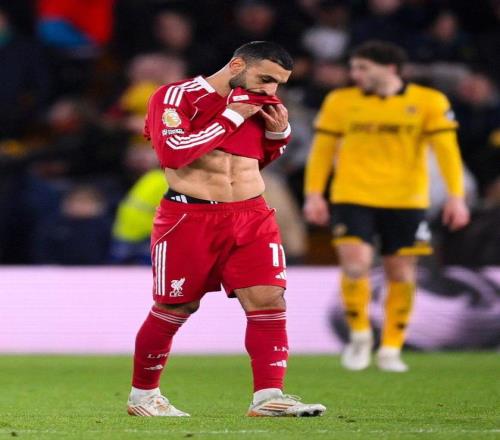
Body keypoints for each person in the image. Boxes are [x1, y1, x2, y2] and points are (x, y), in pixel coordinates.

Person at [127, 41, 326, 417]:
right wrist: (231, 116)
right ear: (237, 65)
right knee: (175, 306)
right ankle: (144, 396)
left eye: (279, 83)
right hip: (189, 218)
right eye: (265, 78)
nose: (271, 90)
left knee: (269, 300)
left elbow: (255, 160)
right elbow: (174, 153)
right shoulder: (175, 96)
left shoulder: (261, 102)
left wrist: (278, 136)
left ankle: (268, 397)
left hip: (252, 215)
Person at [303, 40, 470, 372]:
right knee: (355, 265)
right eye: (353, 67)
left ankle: (392, 347)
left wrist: (456, 196)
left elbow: (447, 151)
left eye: (362, 68)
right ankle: (360, 334)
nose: (354, 74)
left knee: (402, 272)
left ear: (390, 68)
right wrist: (314, 194)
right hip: (352, 195)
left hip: (406, 199)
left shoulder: (429, 101)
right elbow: (322, 150)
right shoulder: (340, 101)